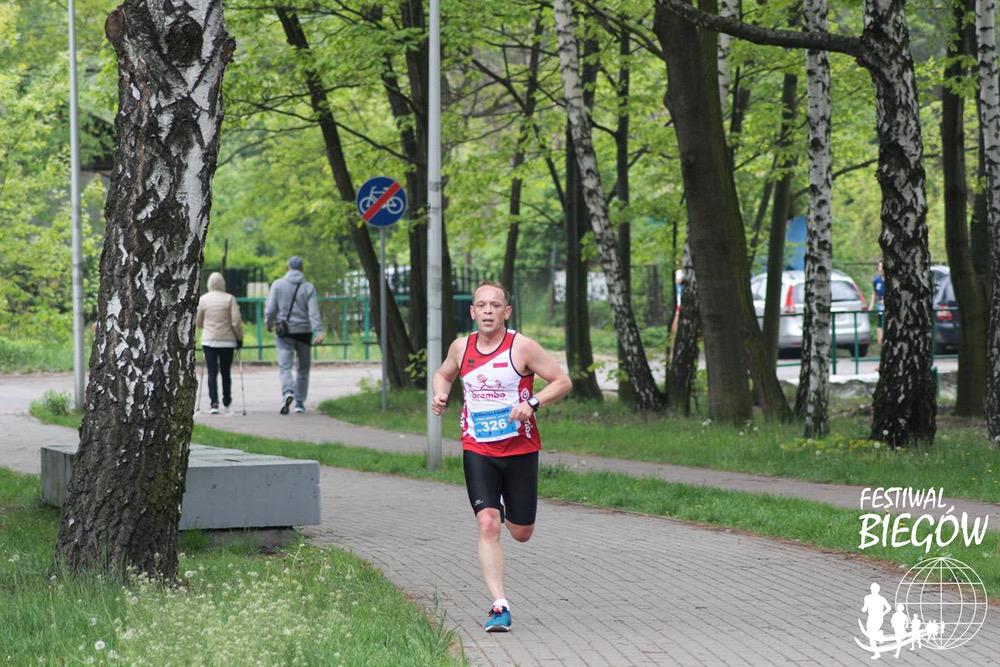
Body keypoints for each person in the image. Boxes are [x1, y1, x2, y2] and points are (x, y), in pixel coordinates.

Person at [431, 281, 571, 633]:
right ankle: (499, 605)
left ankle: (506, 509)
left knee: (521, 532)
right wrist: (440, 394)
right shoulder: (461, 347)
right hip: (478, 448)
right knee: (488, 523)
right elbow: (443, 374)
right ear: (473, 311)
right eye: (482, 305)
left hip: (520, 450)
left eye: (495, 305)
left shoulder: (521, 347)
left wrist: (532, 403)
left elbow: (562, 381)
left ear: (506, 312)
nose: (488, 311)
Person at [265, 256, 325, 414]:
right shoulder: (308, 287)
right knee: (303, 368)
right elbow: (313, 312)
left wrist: (269, 324)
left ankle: (288, 392)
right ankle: (299, 403)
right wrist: (318, 331)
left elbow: (271, 309)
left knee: (285, 366)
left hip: (284, 332)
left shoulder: (278, 285)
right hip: (304, 332)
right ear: (302, 269)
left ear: (288, 268)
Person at [196, 271, 244, 415]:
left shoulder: (203, 299)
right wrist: (239, 338)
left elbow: (198, 321)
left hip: (209, 340)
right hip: (227, 341)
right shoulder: (230, 299)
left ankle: (214, 403)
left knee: (211, 372)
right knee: (225, 372)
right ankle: (227, 400)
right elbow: (236, 322)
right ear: (223, 283)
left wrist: (206, 327)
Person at [862, 582, 892, 659]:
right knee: (870, 635)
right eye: (873, 589)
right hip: (870, 617)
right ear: (871, 589)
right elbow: (865, 607)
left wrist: (883, 614)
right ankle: (879, 635)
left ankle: (877, 652)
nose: (874, 590)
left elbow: (889, 607)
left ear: (878, 590)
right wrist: (864, 609)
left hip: (878, 618)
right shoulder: (867, 598)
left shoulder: (882, 599)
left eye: (875, 589)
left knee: (871, 636)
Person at [869, 260, 885, 346]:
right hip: (880, 306)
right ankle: (881, 343)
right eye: (880, 267)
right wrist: (871, 305)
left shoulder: (891, 280)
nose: (881, 269)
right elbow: (874, 293)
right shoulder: (876, 281)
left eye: (882, 266)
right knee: (880, 323)